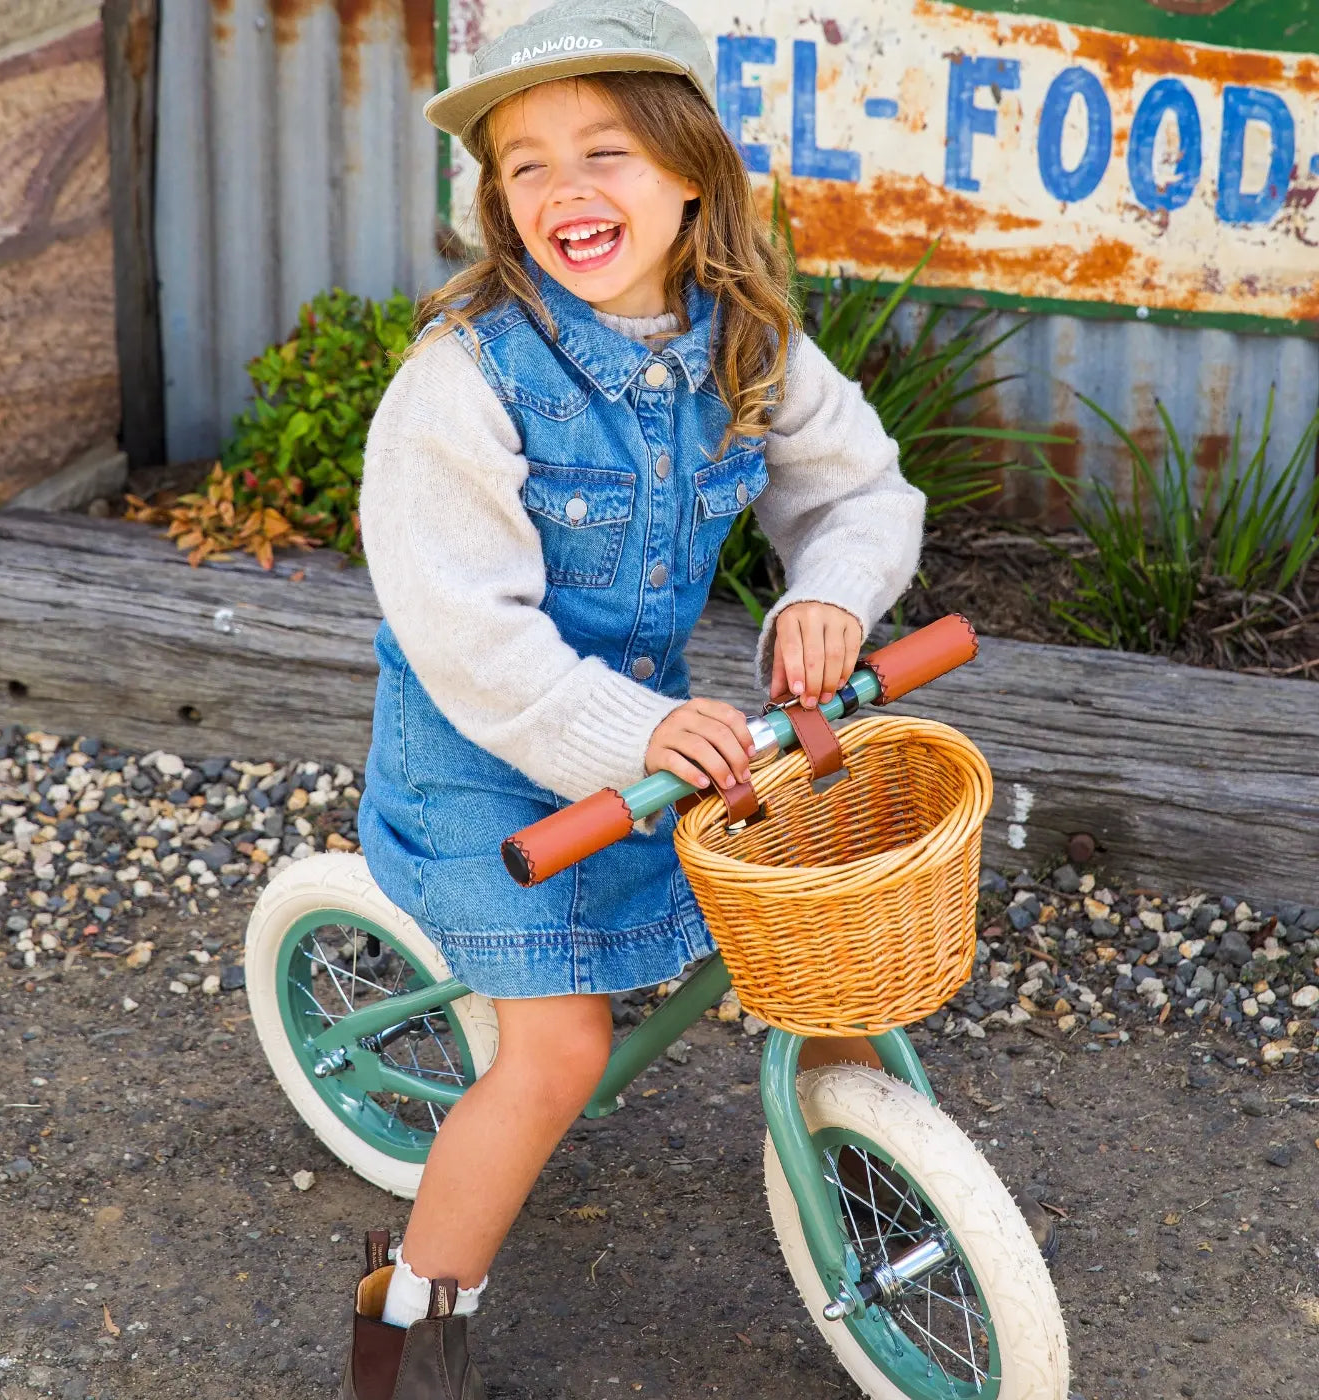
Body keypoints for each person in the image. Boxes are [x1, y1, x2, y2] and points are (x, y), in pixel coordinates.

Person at [343, 2, 925, 1395]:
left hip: (650, 731)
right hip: (483, 761)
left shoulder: (746, 341)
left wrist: (829, 598)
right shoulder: (463, 379)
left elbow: (858, 490)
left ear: (689, 173)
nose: (565, 189)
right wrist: (633, 730)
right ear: (496, 202)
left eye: (603, 151)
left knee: (814, 948)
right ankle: (405, 1324)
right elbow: (468, 635)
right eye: (525, 164)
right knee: (559, 1054)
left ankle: (890, 1196)